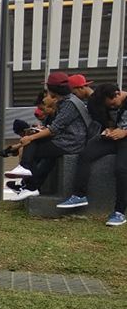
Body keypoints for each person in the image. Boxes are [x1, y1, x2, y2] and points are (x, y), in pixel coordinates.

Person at [5, 72, 90, 201]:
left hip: (70, 142)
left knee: (32, 141)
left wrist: (31, 137)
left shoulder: (69, 103)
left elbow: (55, 128)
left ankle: (25, 169)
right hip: (67, 139)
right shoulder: (67, 101)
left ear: (53, 89)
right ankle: (31, 187)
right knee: (46, 157)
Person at [56, 83, 127, 226]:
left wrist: (125, 131)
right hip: (114, 137)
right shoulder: (106, 103)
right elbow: (112, 121)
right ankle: (79, 194)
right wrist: (110, 129)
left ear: (118, 94)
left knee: (121, 169)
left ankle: (119, 212)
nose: (112, 107)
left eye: (113, 103)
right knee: (85, 154)